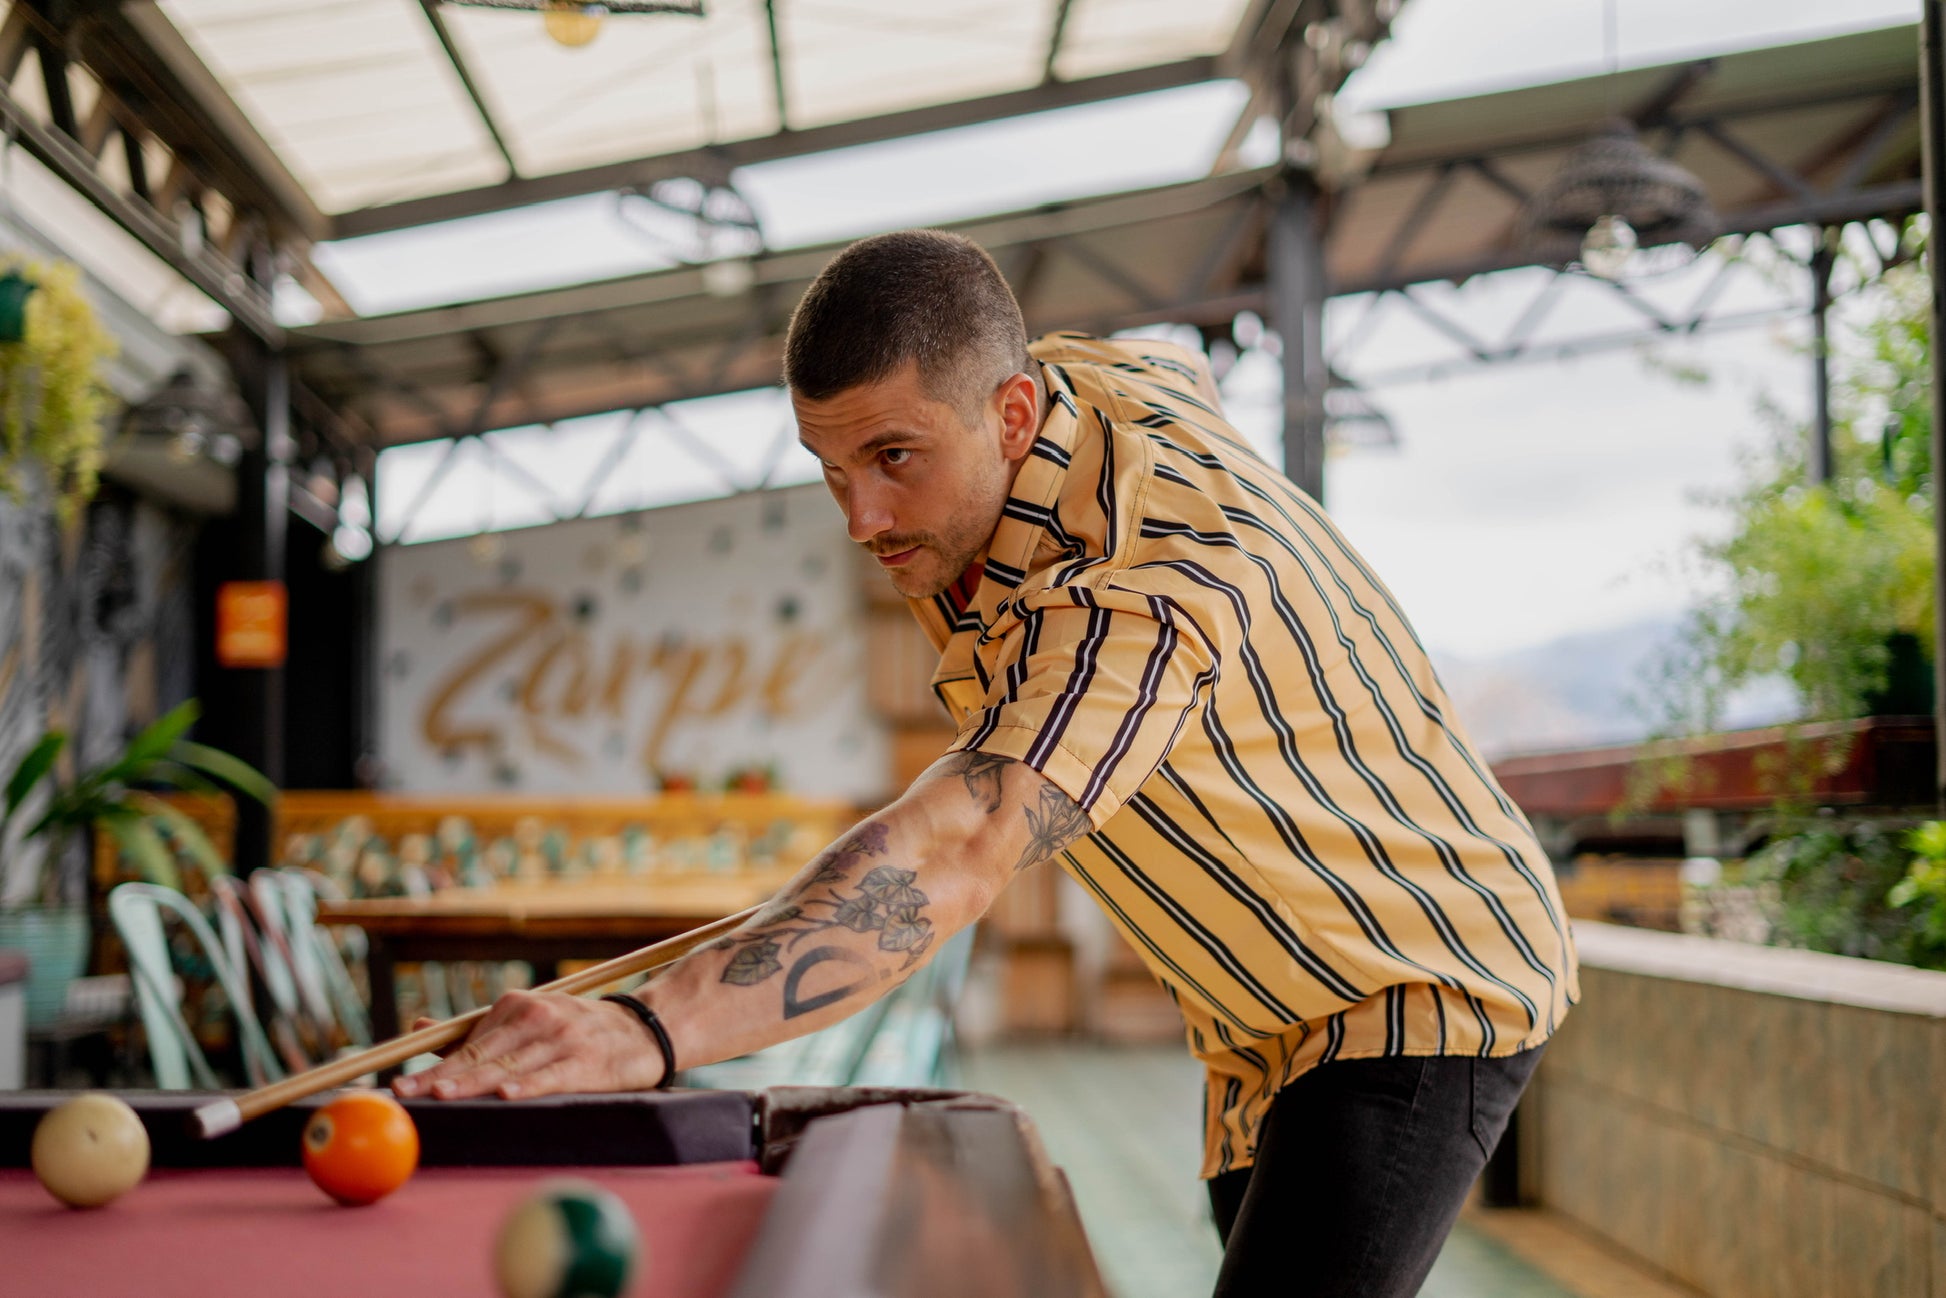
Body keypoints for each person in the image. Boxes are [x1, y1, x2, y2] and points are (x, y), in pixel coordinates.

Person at [394, 229, 1579, 1298]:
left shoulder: (1150, 586)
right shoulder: (1055, 395)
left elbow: (959, 846)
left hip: (1412, 977)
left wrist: (639, 1031)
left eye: (895, 457)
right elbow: (1171, 367)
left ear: (1013, 416)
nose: (861, 516)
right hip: (1254, 1015)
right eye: (830, 468)